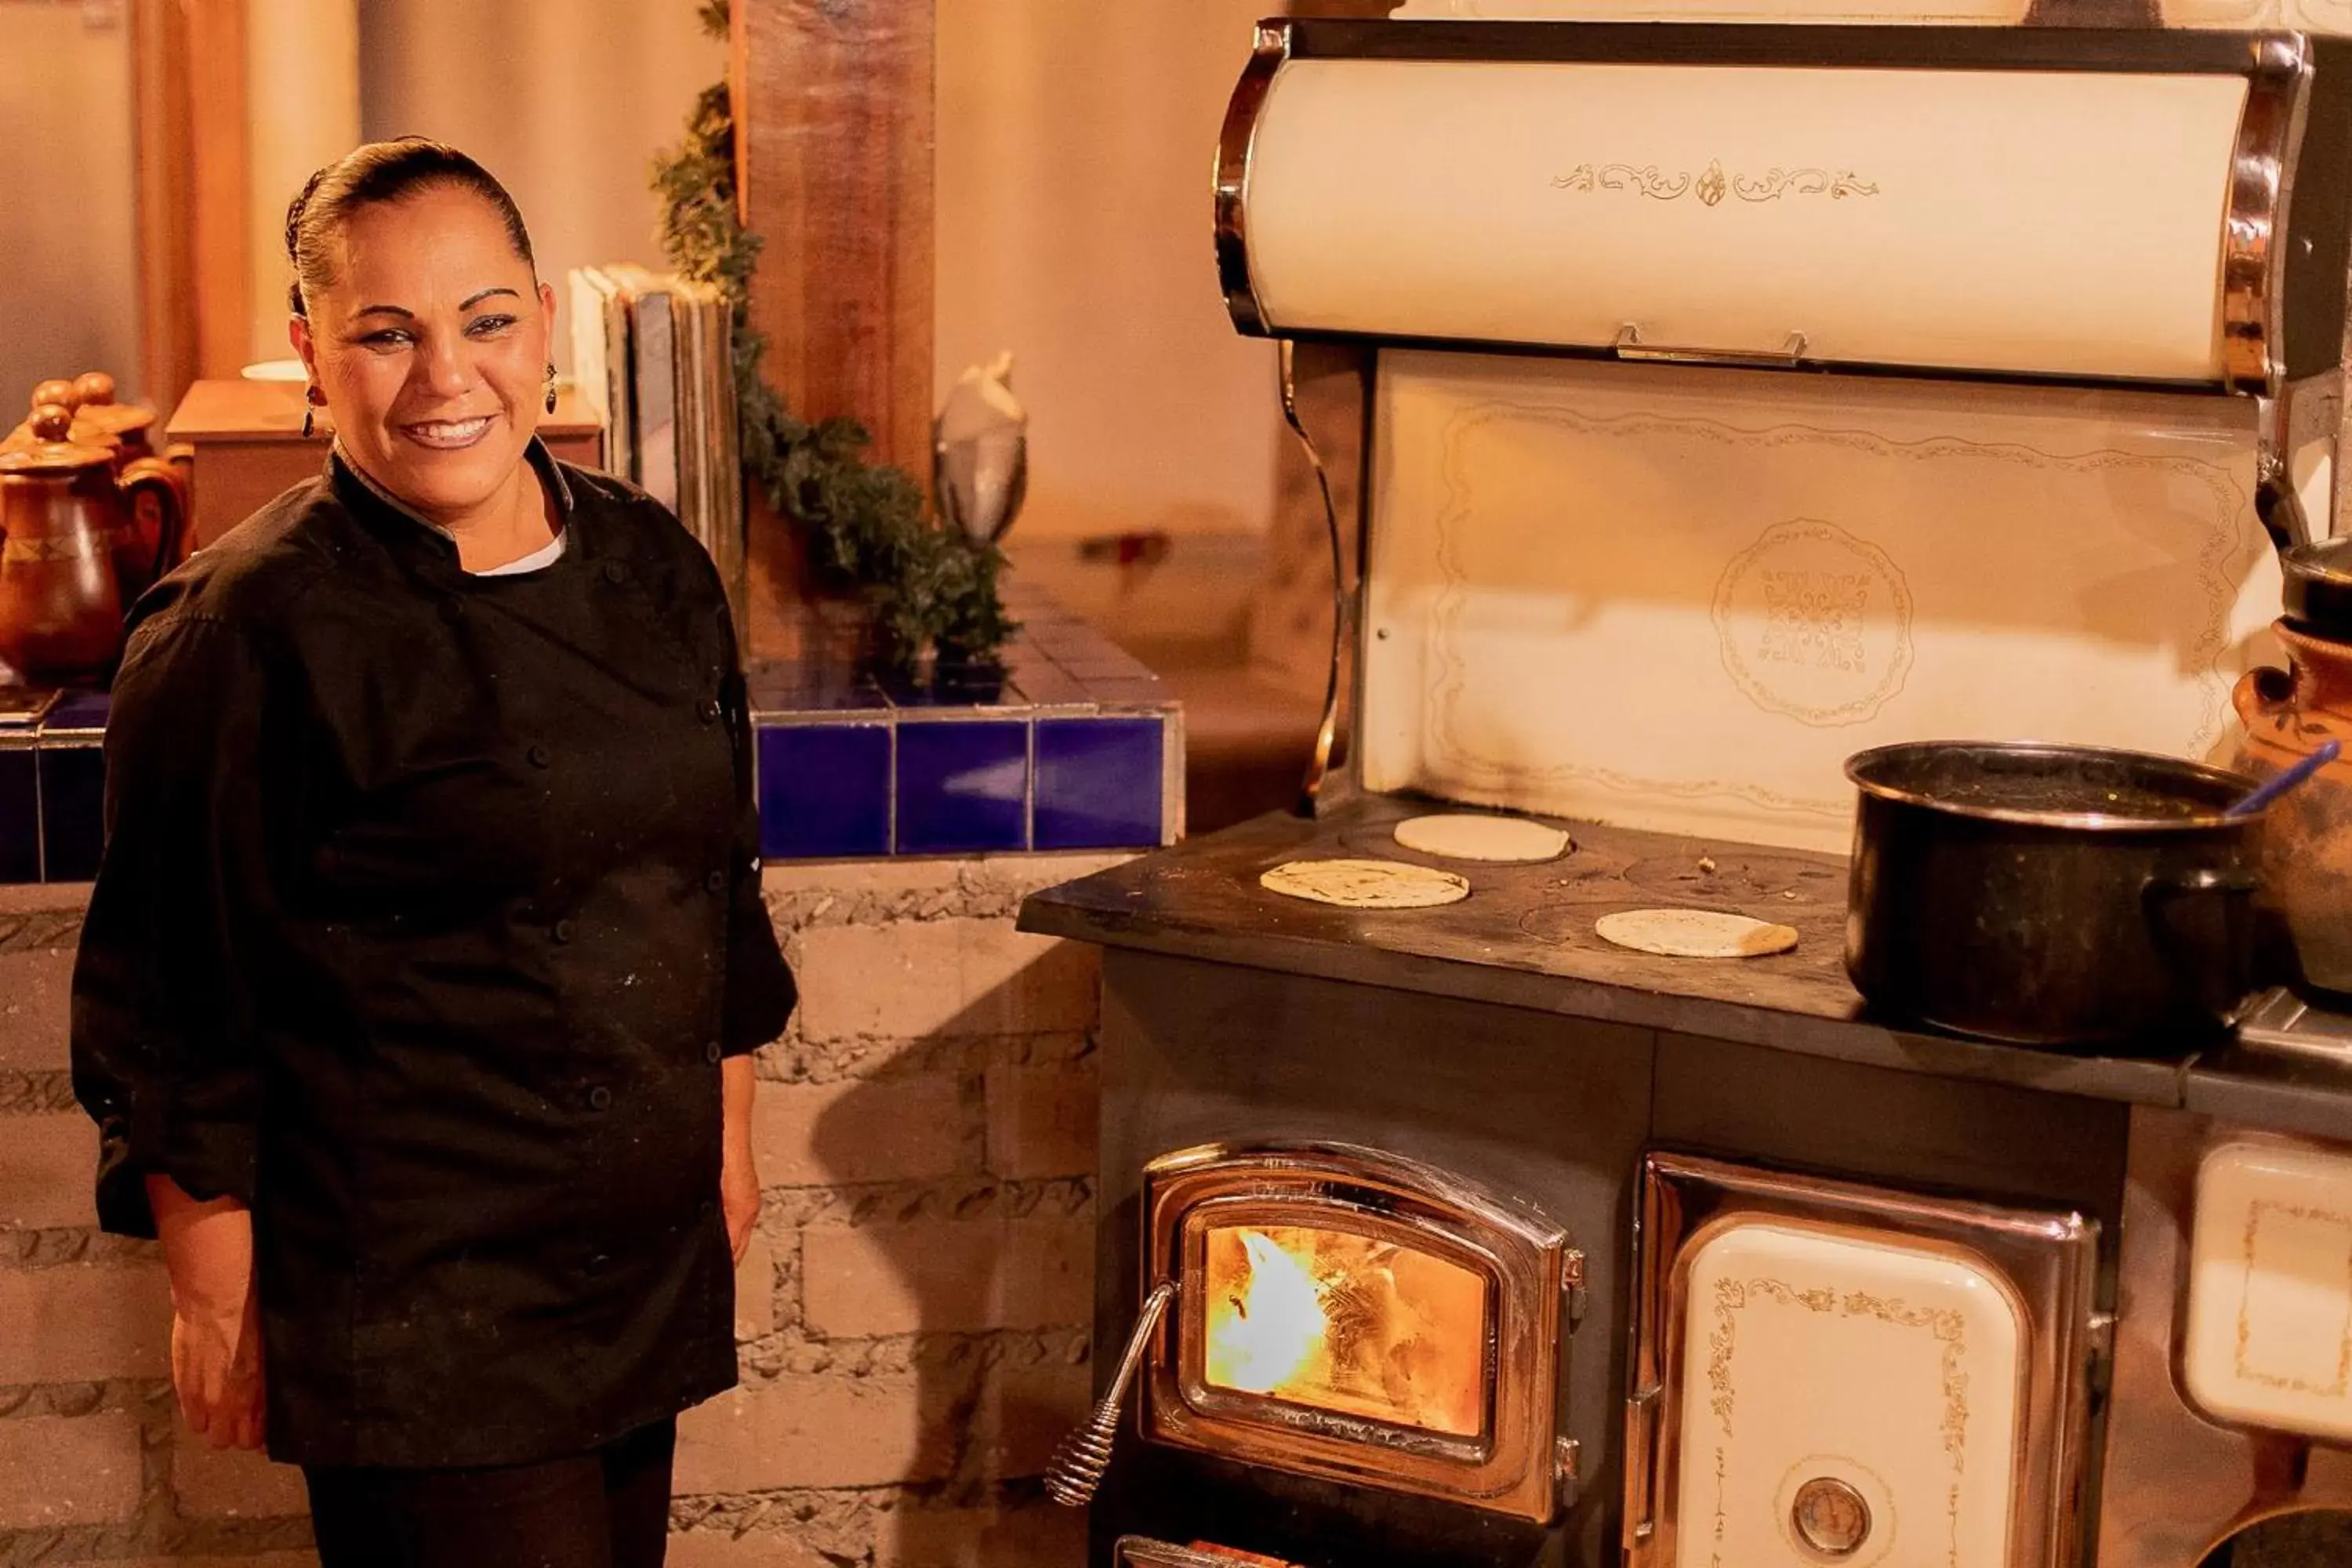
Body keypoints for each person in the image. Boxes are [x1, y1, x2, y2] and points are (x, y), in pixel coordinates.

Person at [70, 137, 794, 1568]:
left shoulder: (656, 568)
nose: (445, 379)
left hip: (637, 1250)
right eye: (383, 335)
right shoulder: (240, 629)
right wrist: (215, 1296)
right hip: (411, 1287)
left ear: (540, 317)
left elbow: (721, 883)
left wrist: (728, 1141)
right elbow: (171, 1002)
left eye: (485, 322)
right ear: (309, 355)